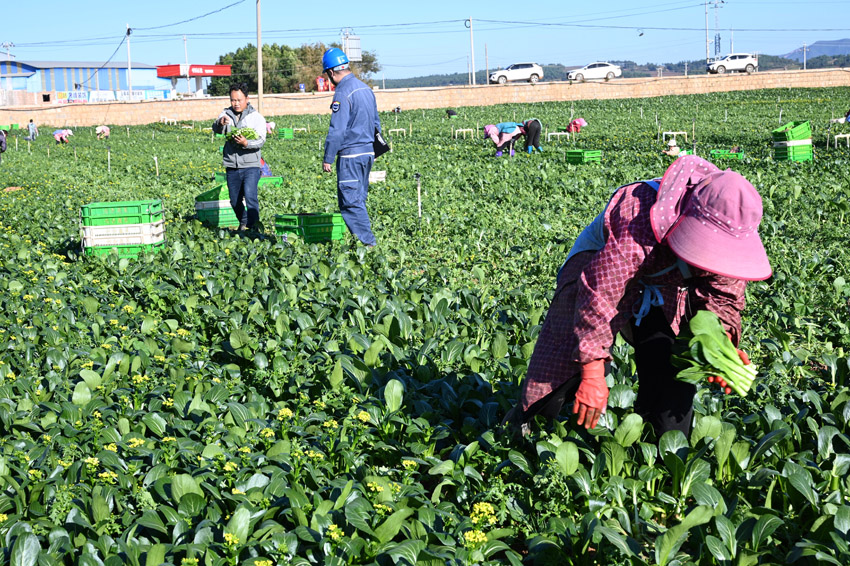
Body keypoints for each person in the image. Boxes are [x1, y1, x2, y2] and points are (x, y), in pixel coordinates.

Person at [503, 155, 772, 438]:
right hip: (596, 269)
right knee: (563, 365)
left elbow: (724, 298)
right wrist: (593, 373)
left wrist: (721, 347)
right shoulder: (639, 214)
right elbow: (600, 295)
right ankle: (526, 425)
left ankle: (658, 447)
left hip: (665, 286)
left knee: (669, 366)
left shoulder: (732, 229)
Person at [321, 47, 381, 247]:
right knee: (358, 198)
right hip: (367, 153)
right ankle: (363, 243)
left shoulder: (343, 92)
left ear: (330, 72)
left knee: (350, 202)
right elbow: (376, 124)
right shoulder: (365, 88)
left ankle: (368, 245)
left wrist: (328, 157)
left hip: (351, 156)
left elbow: (337, 130)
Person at [212, 82, 267, 231]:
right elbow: (216, 128)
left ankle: (254, 228)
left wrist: (246, 143)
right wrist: (220, 123)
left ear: (247, 99)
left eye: (239, 100)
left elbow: (261, 140)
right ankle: (244, 222)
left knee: (250, 197)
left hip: (251, 165)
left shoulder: (256, 117)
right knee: (234, 200)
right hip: (232, 164)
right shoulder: (225, 114)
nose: (235, 103)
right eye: (233, 100)